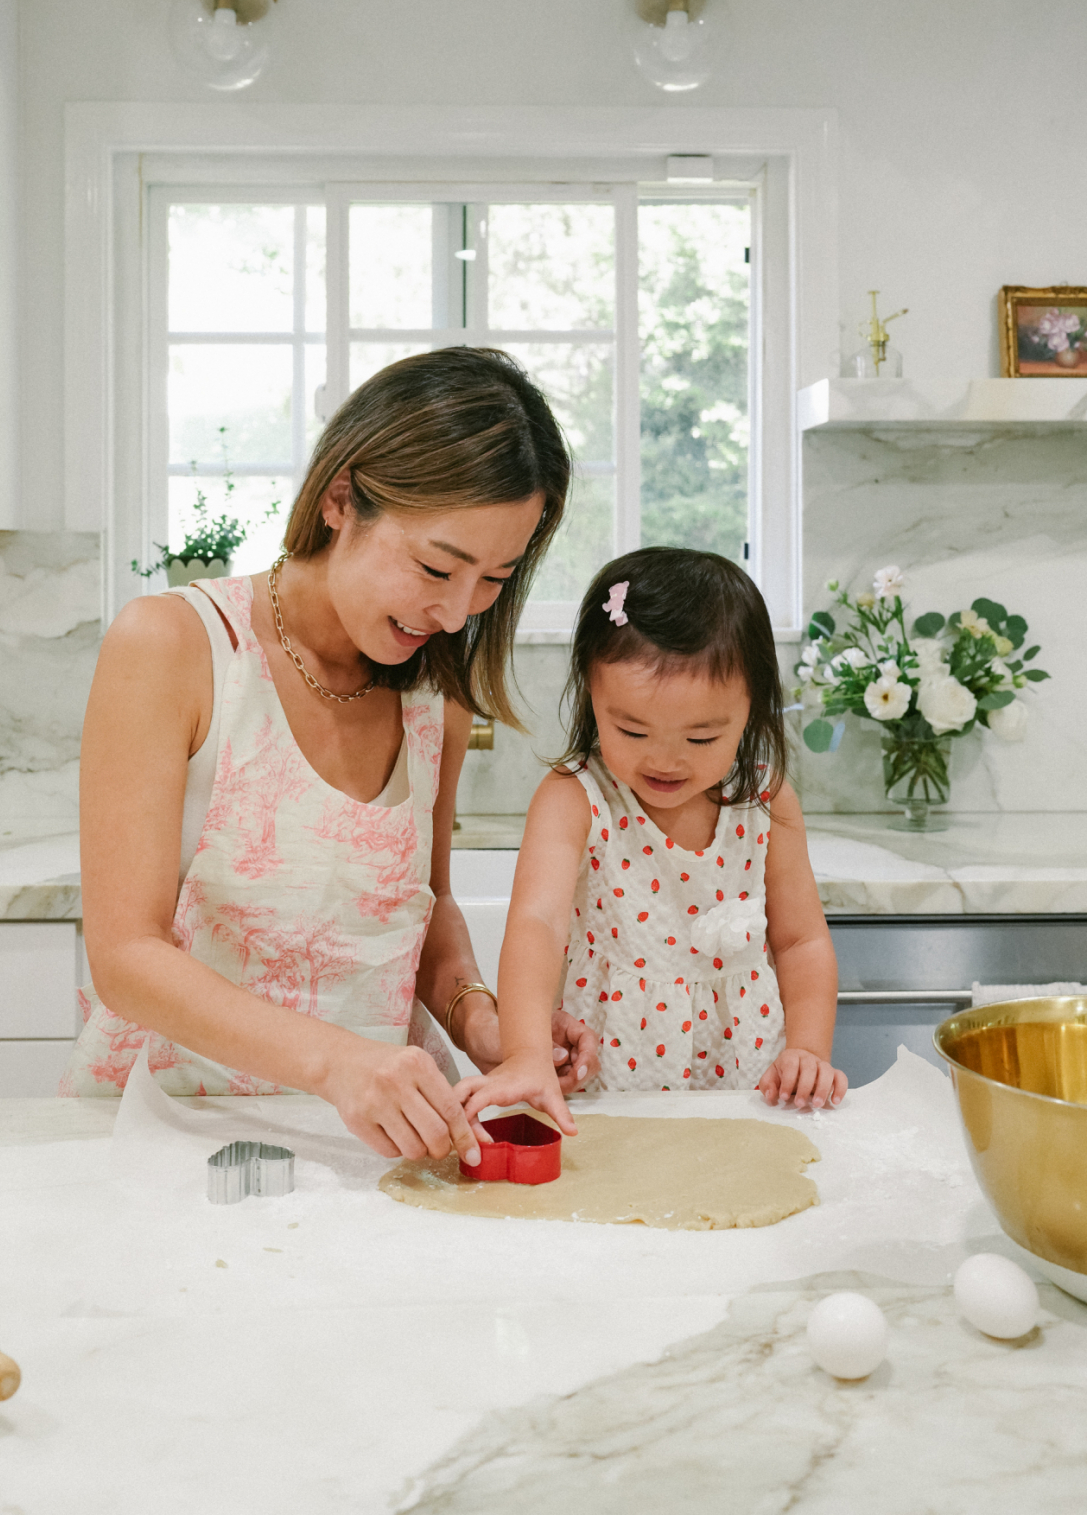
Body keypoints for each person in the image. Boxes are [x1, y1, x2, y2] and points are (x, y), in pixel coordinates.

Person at [61, 347, 598, 1166]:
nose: (455, 614)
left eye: (493, 579)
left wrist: (482, 1022)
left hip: (363, 1147)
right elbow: (125, 956)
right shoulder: (176, 645)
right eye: (435, 566)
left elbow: (429, 906)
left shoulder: (435, 694)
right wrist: (337, 1062)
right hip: (162, 1136)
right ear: (342, 499)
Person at [458, 545, 848, 1137]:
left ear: (750, 711)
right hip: (609, 1078)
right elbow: (537, 925)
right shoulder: (576, 798)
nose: (664, 759)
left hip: (747, 1082)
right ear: (591, 692)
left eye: (702, 738)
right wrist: (527, 1052)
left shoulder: (766, 799)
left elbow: (801, 943)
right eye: (632, 729)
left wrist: (809, 1051)